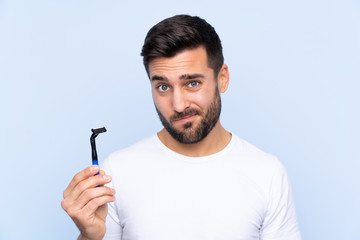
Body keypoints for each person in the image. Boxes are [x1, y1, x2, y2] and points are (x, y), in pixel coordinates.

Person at [61, 15, 301, 240]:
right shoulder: (116, 173)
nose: (178, 105)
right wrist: (90, 237)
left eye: (192, 83)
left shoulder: (267, 173)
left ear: (222, 78)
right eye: (163, 87)